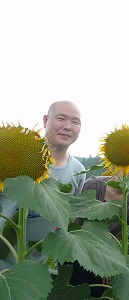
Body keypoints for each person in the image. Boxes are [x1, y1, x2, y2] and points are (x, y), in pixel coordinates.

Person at [1, 101, 85, 270]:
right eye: (61, 118)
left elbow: (64, 215)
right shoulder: (12, 154)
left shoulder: (78, 171)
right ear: (46, 120)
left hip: (37, 268)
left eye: (75, 122)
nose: (68, 127)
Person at [71, 164, 129, 297]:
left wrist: (109, 261)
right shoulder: (93, 185)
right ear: (119, 164)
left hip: (108, 251)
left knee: (100, 292)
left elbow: (127, 229)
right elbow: (81, 224)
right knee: (78, 290)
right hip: (79, 247)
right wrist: (103, 262)